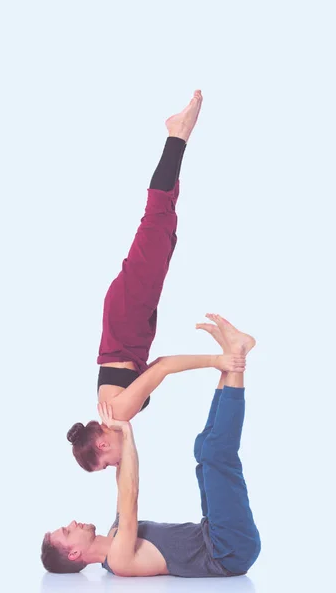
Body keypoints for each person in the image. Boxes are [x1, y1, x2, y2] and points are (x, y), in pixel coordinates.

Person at [66, 90, 245, 472]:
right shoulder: (115, 411)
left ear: (100, 443)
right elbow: (156, 366)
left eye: (106, 463)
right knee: (164, 227)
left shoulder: (117, 413)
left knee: (158, 220)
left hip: (128, 315)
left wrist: (217, 361)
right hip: (131, 319)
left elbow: (162, 366)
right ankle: (176, 140)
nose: (115, 464)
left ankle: (176, 135)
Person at [41, 314, 261, 577]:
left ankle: (230, 359)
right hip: (228, 550)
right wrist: (127, 432)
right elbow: (130, 495)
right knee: (216, 453)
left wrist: (117, 442)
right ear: (74, 554)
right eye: (67, 531)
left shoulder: (115, 534)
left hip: (215, 532)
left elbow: (123, 481)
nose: (72, 523)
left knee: (203, 447)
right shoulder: (119, 559)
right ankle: (236, 358)